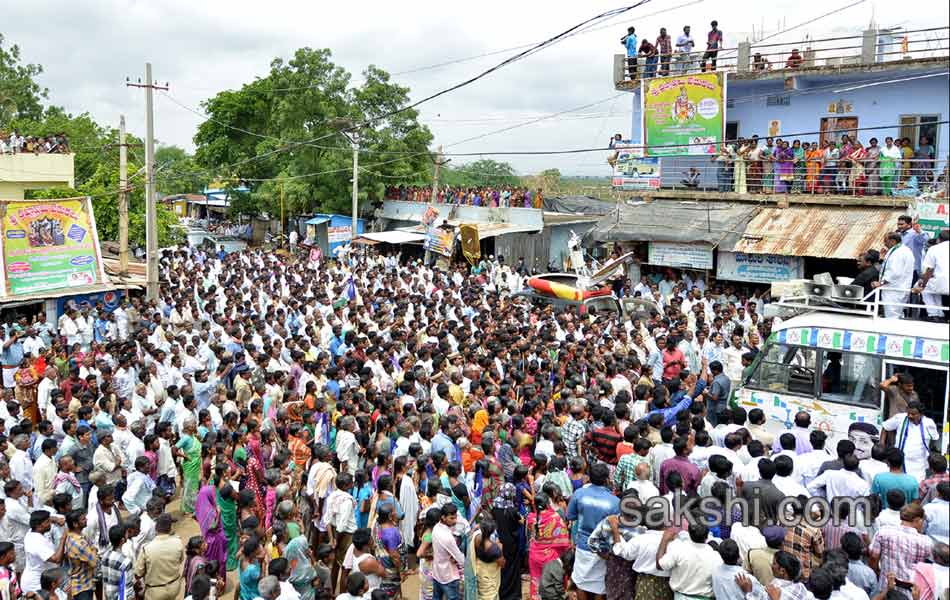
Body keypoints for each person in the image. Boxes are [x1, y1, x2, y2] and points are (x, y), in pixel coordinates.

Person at [881, 402, 940, 480]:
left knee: (916, 486)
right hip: (899, 463)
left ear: (921, 414)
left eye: (913, 414)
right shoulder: (900, 418)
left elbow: (934, 438)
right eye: (908, 413)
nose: (909, 416)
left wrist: (929, 451)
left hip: (918, 464)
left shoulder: (929, 423)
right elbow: (885, 426)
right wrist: (881, 443)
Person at [134, 514, 185, 600]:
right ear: (170, 528)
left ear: (156, 528)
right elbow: (180, 560)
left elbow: (138, 573)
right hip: (174, 588)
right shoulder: (178, 542)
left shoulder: (147, 548)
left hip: (155, 592)